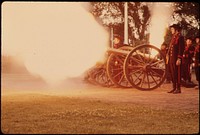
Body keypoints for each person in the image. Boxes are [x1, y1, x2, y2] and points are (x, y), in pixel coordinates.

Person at [167, 24, 185, 94]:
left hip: (176, 59)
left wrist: (179, 58)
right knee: (173, 74)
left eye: (172, 29)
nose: (171, 30)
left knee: (177, 74)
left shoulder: (180, 37)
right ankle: (174, 87)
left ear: (176, 30)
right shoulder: (174, 37)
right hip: (172, 58)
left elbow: (181, 49)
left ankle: (178, 88)